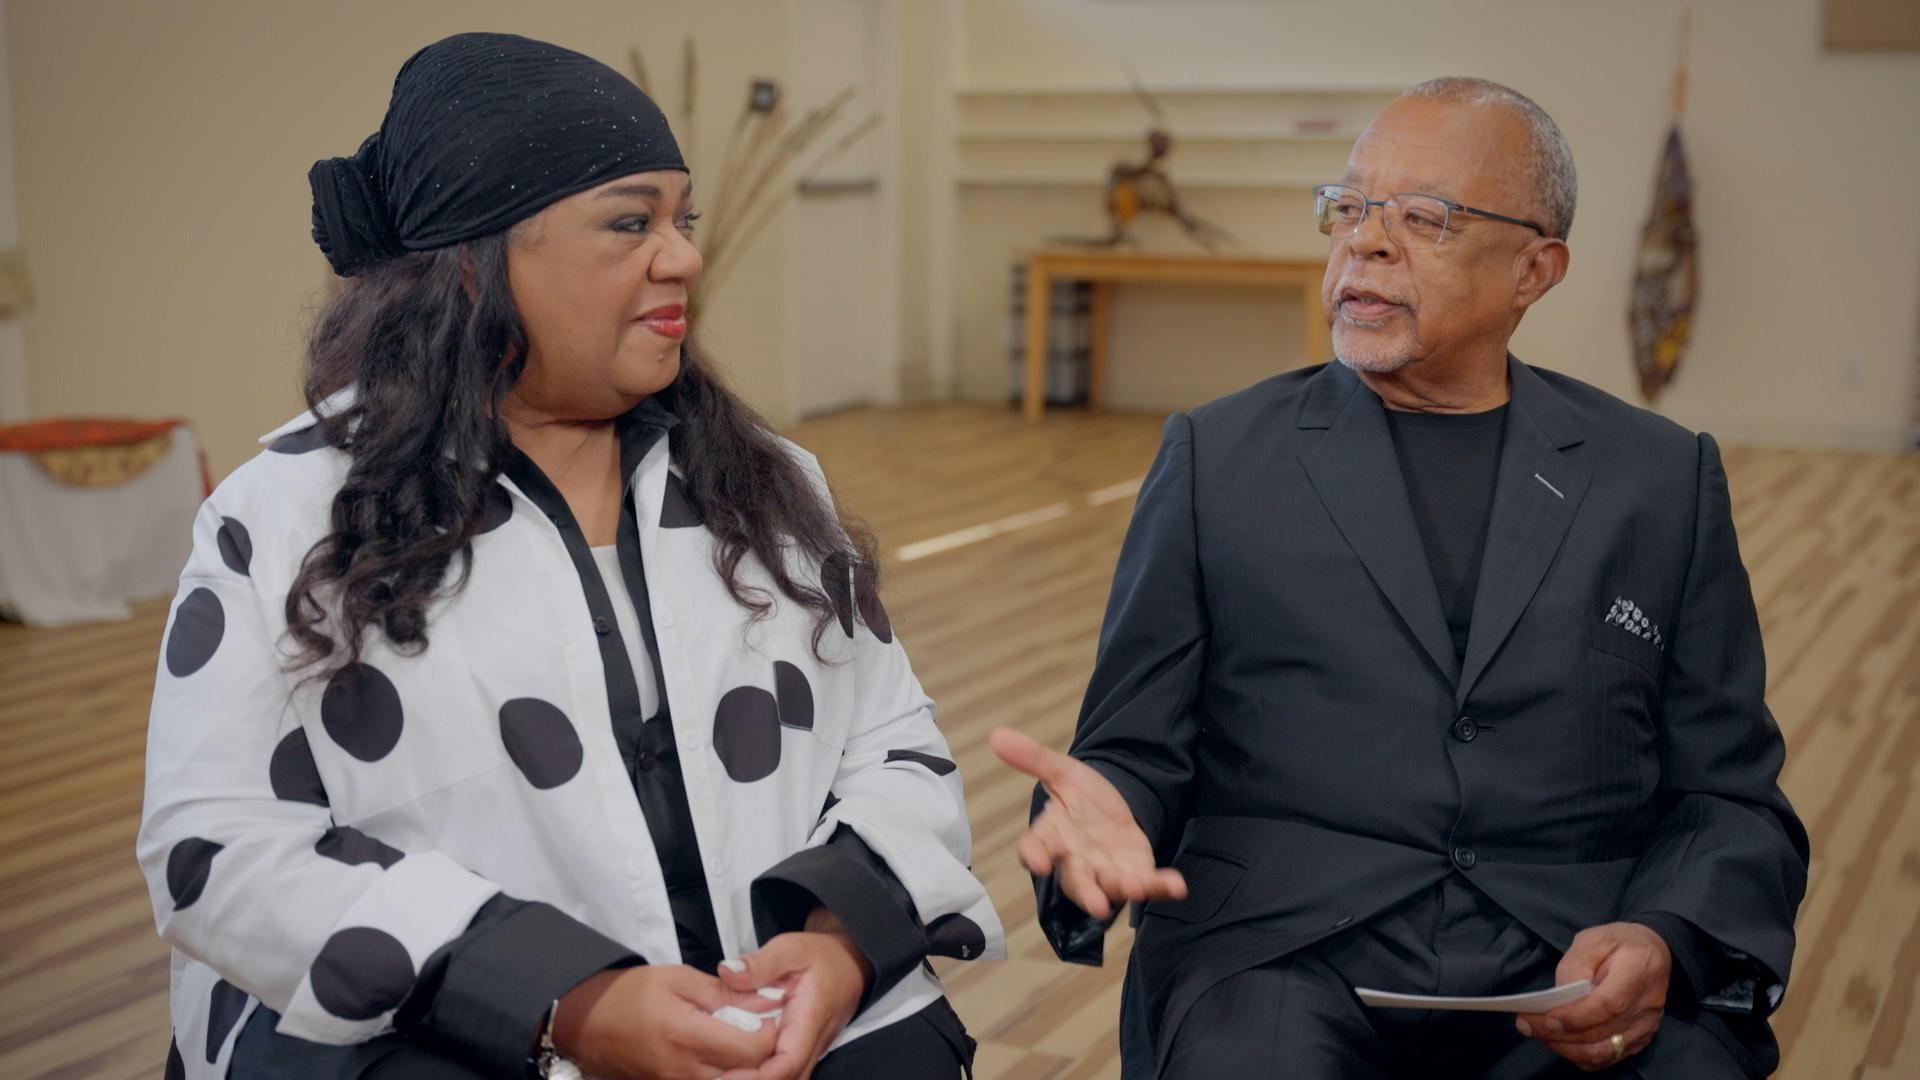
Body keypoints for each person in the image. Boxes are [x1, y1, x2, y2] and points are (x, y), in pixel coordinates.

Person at [138, 32, 999, 1080]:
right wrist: (573, 1003)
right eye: (631, 222)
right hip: (455, 1033)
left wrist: (839, 943)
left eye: (682, 219)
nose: (682, 255)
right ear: (473, 262)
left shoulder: (768, 484)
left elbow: (895, 745)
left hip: (782, 1023)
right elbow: (217, 849)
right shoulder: (288, 517)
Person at [992, 76, 1807, 1078]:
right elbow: (1130, 748)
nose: (1365, 243)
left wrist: (1663, 936)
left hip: (1575, 947)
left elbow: (1729, 796)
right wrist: (1094, 818)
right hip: (1283, 953)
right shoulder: (1219, 456)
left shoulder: (1658, 481)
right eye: (1350, 207)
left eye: (1425, 218)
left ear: (1535, 269)